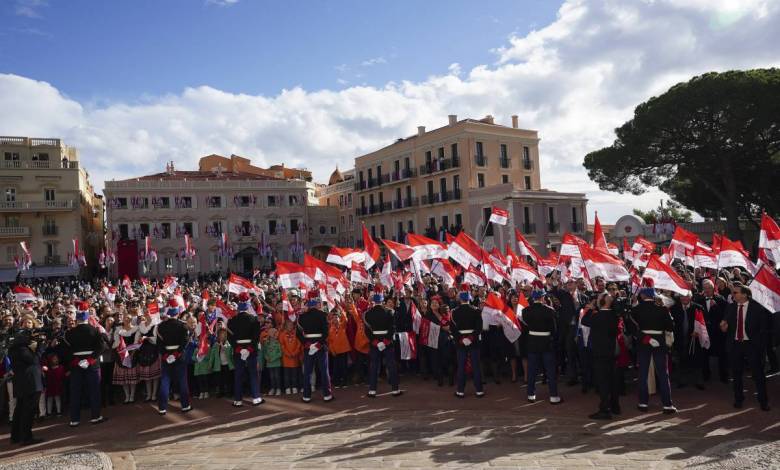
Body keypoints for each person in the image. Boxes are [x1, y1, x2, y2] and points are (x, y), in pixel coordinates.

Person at [719, 284, 771, 411]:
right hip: (735, 344)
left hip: (752, 345)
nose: (733, 295)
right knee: (736, 374)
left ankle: (763, 401)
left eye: (736, 293)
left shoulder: (757, 308)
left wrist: (758, 344)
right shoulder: (731, 307)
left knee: (758, 374)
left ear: (745, 294)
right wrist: (723, 327)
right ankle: (738, 399)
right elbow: (725, 324)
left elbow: (763, 328)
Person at [630, 288, 677, 414]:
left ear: (644, 295)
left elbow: (631, 328)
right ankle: (667, 404)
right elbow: (670, 327)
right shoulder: (662, 309)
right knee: (663, 373)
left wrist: (645, 337)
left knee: (643, 374)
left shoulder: (636, 309)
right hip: (659, 342)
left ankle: (643, 403)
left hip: (643, 342)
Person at [64, 301, 107, 427]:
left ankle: (74, 419)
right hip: (92, 364)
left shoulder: (69, 333)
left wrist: (77, 361)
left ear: (76, 318)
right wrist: (89, 360)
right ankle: (95, 416)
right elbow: (101, 347)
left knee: (75, 392)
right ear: (88, 317)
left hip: (76, 365)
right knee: (94, 391)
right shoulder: (94, 330)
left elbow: (66, 351)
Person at [582, 293, 619, 419]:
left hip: (599, 353)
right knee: (613, 379)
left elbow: (584, 320)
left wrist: (591, 308)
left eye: (598, 300)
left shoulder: (597, 317)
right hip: (611, 351)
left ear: (602, 302)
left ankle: (605, 409)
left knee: (603, 382)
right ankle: (615, 406)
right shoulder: (614, 315)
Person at [523, 290, 561, 404]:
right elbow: (554, 329)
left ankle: (531, 394)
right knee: (550, 371)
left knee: (532, 370)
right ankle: (553, 396)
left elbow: (526, 325)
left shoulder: (526, 311)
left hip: (533, 342)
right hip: (546, 343)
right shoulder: (549, 311)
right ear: (543, 298)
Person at [8, 328, 43, 445]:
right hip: (30, 383)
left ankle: (16, 436)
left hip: (21, 383)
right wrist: (40, 348)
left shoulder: (13, 349)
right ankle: (26, 437)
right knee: (28, 411)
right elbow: (34, 360)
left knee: (20, 410)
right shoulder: (22, 349)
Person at [227, 292, 263, 407]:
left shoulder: (232, 321)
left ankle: (238, 400)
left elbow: (230, 337)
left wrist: (239, 348)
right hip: (251, 350)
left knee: (238, 375)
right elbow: (255, 337)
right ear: (248, 305)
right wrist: (248, 349)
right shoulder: (254, 319)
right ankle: (256, 397)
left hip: (238, 349)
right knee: (253, 373)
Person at [296, 291, 333, 402]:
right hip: (320, 345)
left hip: (308, 345)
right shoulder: (323, 315)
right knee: (324, 371)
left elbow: (298, 333)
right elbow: (326, 333)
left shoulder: (302, 317)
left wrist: (307, 344)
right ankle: (327, 395)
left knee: (307, 372)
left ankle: (306, 396)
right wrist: (318, 344)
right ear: (316, 302)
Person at [364, 288, 401, 398]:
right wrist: (385, 342)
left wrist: (376, 342)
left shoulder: (367, 314)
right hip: (387, 342)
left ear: (373, 300)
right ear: (382, 300)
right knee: (391, 365)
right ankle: (395, 389)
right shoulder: (389, 312)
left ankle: (372, 390)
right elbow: (392, 328)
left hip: (374, 342)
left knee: (374, 366)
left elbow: (367, 331)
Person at [156, 302, 191, 415]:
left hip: (166, 355)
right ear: (177, 312)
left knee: (165, 381)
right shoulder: (183, 325)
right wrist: (176, 354)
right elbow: (185, 342)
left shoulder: (161, 326)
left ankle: (162, 407)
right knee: (182, 381)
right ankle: (185, 405)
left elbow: (159, 343)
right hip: (179, 356)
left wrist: (166, 354)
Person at [451, 286, 484, 398]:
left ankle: (460, 390)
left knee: (461, 366)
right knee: (476, 366)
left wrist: (461, 338)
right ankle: (479, 390)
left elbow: (453, 329)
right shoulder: (476, 310)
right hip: (473, 341)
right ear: (469, 298)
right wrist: (470, 338)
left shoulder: (454, 312)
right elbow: (479, 328)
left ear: (460, 299)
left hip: (460, 342)